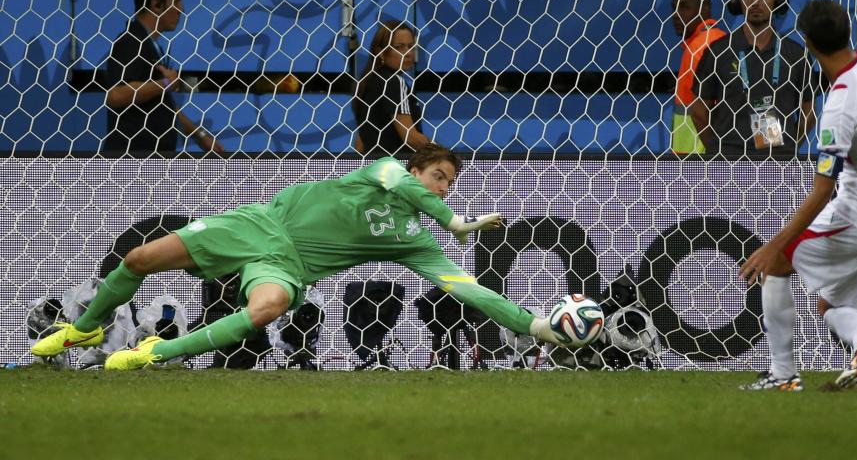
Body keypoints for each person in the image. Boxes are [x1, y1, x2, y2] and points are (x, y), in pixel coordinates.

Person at [30, 143, 570, 369]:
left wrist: (535, 324)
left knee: (265, 309)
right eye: (438, 177)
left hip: (287, 266)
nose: (443, 189)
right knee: (140, 259)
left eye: (450, 185)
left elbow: (466, 288)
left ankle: (150, 356)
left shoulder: (417, 242)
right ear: (416, 171)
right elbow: (395, 178)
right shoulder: (382, 173)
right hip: (259, 225)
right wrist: (454, 221)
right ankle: (88, 328)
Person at [739, 0, 857, 391]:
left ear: (808, 43)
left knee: (778, 264)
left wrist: (774, 247)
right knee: (831, 304)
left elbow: (823, 189)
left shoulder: (839, 103)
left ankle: (782, 376)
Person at [689, 0, 815, 159]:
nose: (756, 2)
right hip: (729, 161)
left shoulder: (795, 54)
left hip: (779, 162)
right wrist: (720, 150)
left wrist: (787, 148)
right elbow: (698, 111)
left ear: (777, 1)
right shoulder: (719, 51)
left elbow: (809, 111)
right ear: (737, 2)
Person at [103, 0, 223, 155]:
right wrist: (165, 83)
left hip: (151, 160)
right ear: (157, 4)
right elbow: (116, 95)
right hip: (133, 163)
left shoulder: (151, 46)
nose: (182, 9)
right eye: (176, 1)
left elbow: (163, 105)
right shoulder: (130, 41)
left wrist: (199, 135)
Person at [352, 20, 431, 157]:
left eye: (411, 46)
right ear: (381, 52)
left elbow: (360, 143)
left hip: (373, 169)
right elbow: (411, 139)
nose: (408, 53)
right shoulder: (394, 82)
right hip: (396, 169)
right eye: (399, 47)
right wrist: (441, 153)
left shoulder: (368, 81)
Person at [670, 0, 727, 154]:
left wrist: (715, 153)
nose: (676, 15)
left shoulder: (701, 48)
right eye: (674, 8)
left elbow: (708, 110)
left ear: (705, 8)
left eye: (684, 7)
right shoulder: (718, 40)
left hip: (699, 159)